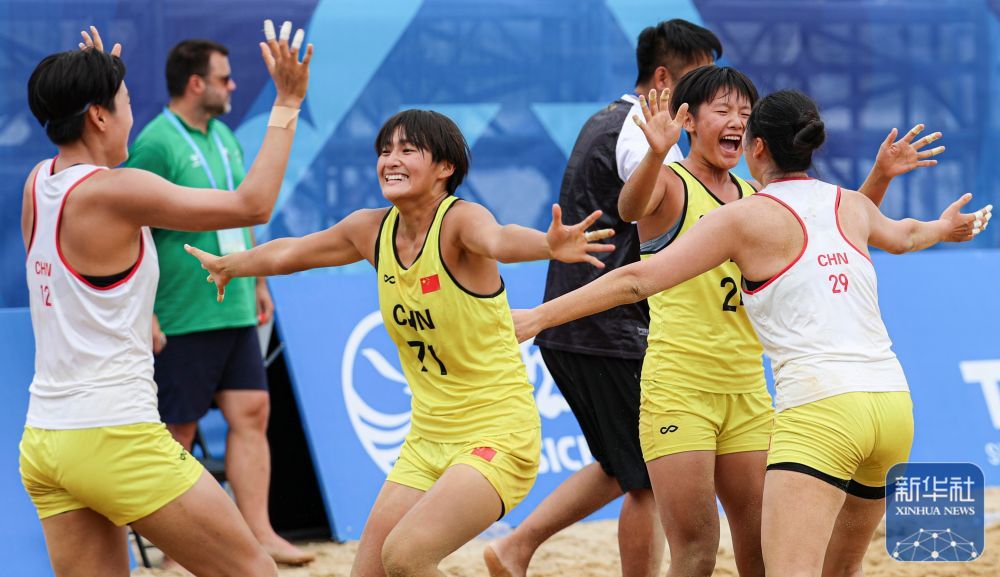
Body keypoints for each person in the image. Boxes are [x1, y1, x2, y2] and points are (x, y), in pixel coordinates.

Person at [512, 88, 990, 577]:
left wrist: (539, 316)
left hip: (813, 407)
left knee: (769, 562)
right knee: (827, 567)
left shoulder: (746, 212)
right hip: (889, 405)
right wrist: (940, 226)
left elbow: (636, 279)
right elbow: (898, 234)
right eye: (724, 110)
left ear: (756, 146)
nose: (735, 122)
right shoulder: (845, 203)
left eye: (744, 114)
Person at [183, 109, 615, 577]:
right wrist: (231, 265)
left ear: (445, 167)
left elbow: (500, 239)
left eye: (408, 150)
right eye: (385, 150)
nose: (391, 159)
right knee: (368, 573)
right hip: (426, 439)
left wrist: (548, 246)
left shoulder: (459, 222)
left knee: (405, 557)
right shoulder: (371, 229)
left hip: (496, 436)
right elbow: (293, 251)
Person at [20, 23, 312, 577]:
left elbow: (79, 130)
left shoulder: (38, 183)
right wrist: (288, 102)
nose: (132, 114)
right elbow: (253, 205)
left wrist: (91, 77)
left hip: (46, 440)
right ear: (99, 116)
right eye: (126, 102)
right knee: (256, 572)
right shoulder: (117, 190)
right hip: (114, 435)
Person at [484, 20, 721, 577]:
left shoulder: (608, 119)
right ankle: (517, 547)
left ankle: (515, 548)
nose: (709, 95)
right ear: (663, 79)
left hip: (586, 324)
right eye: (700, 80)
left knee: (624, 466)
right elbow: (659, 206)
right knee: (647, 478)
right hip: (608, 326)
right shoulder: (641, 133)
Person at [124, 38, 312, 567]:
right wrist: (145, 308)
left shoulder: (225, 137)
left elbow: (241, 215)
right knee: (177, 429)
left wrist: (258, 280)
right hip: (183, 311)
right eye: (224, 78)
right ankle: (173, 545)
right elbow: (130, 226)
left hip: (233, 304)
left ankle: (260, 532)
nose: (233, 85)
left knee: (253, 411)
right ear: (195, 84)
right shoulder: (156, 143)